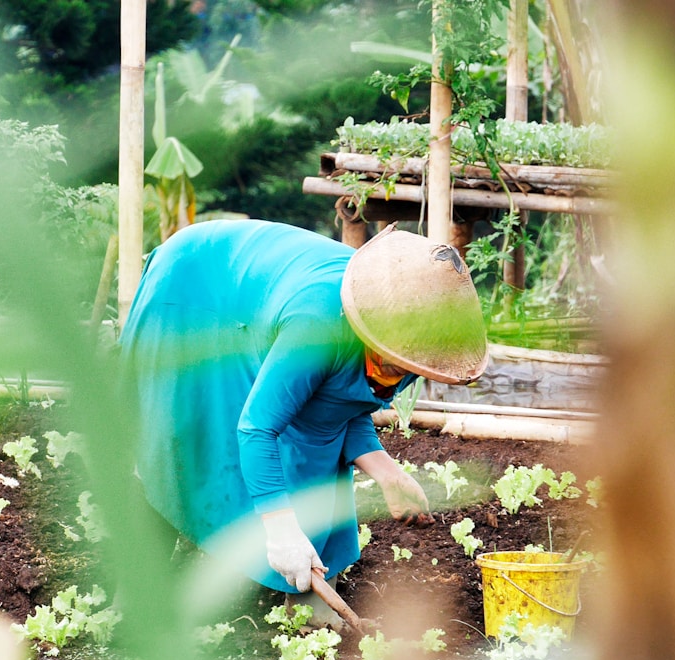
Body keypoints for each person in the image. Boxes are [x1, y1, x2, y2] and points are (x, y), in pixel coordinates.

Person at [120, 219, 488, 622]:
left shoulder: (415, 342)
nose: (409, 372)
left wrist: (388, 474)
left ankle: (309, 593)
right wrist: (280, 531)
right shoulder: (318, 325)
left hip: (254, 300)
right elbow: (257, 428)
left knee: (312, 448)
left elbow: (341, 405)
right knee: (184, 433)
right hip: (195, 293)